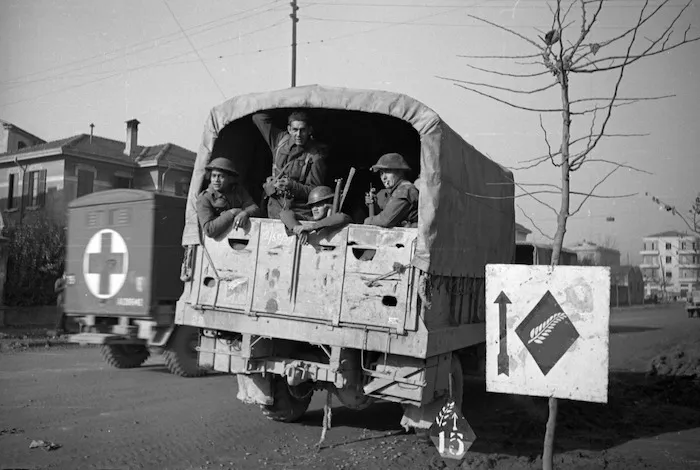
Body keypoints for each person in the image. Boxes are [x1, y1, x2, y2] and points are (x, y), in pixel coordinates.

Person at [252, 110, 328, 220]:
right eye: (295, 130)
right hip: (274, 210)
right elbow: (258, 118)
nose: (298, 134)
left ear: (309, 130)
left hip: (298, 214)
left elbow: (316, 192)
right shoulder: (279, 140)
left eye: (302, 130)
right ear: (289, 129)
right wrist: (287, 104)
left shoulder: (315, 157)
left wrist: (292, 186)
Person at [196, 157, 261, 239]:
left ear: (230, 179)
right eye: (213, 176)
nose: (216, 180)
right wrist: (233, 212)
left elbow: (254, 208)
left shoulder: (238, 191)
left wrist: (245, 213)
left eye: (221, 176)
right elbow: (209, 230)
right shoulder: (205, 198)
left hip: (240, 239)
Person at [279, 186, 352, 244]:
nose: (314, 209)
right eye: (312, 206)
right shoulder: (310, 220)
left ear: (329, 204)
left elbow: (342, 217)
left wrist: (312, 227)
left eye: (319, 205)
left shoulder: (338, 219)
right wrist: (297, 228)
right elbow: (284, 213)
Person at [364, 152, 419, 228]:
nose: (384, 177)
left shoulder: (405, 190)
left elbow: (386, 220)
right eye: (382, 173)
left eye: (387, 171)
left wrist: (367, 221)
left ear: (400, 171)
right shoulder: (397, 190)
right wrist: (373, 205)